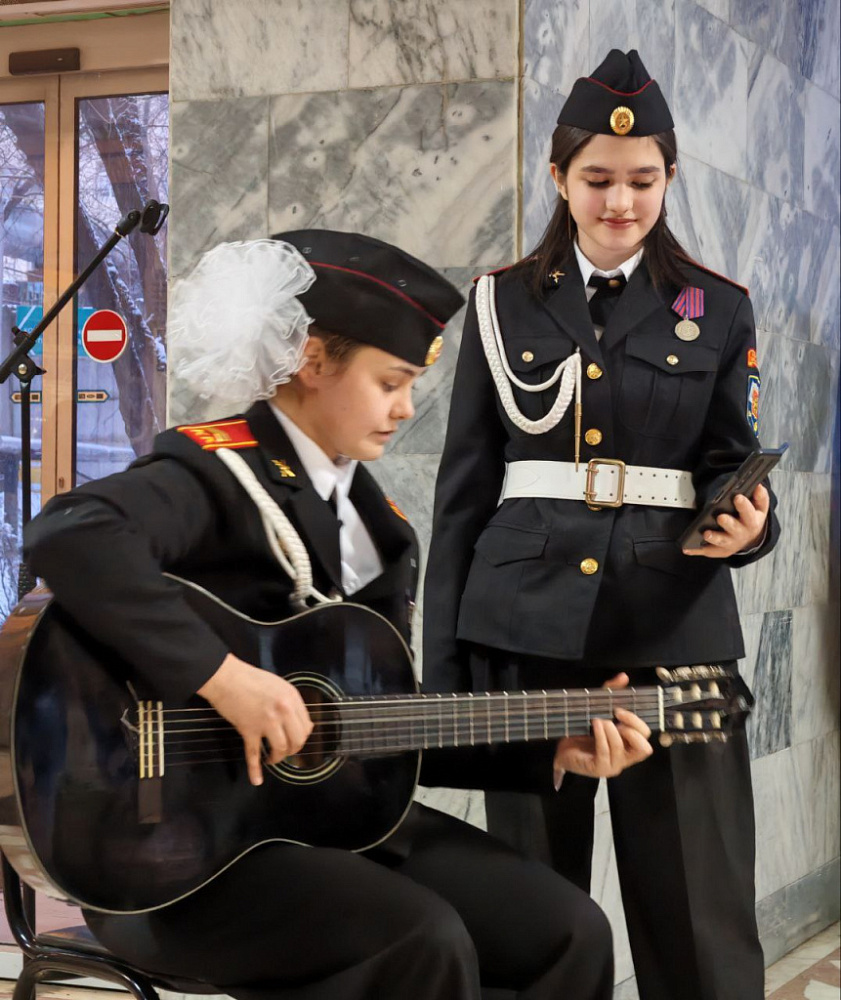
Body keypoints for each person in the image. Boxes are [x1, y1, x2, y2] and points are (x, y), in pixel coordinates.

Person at [24, 230, 653, 1000]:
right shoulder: (213, 471)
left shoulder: (382, 528)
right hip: (174, 854)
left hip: (325, 822)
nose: (405, 409)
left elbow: (375, 725)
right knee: (419, 939)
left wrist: (549, 749)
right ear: (313, 361)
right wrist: (224, 679)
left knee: (567, 930)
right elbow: (71, 533)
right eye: (390, 382)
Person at [422, 50, 780, 1000]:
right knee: (533, 916)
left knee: (701, 919)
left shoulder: (717, 307)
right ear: (558, 177)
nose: (620, 202)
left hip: (677, 634)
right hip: (522, 628)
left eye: (642, 180)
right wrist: (445, 684)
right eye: (597, 179)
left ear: (669, 177)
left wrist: (749, 524)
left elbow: (730, 458)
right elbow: (462, 496)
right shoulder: (499, 302)